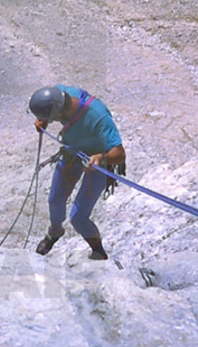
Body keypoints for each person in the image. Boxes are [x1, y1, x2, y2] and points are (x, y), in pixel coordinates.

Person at [28, 85, 125, 260]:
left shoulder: (98, 116)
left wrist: (101, 159)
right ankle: (55, 232)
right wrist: (43, 119)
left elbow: (119, 153)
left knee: (79, 217)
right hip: (72, 155)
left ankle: (98, 251)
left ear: (59, 114)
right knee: (55, 200)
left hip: (98, 165)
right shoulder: (58, 95)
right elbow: (49, 107)